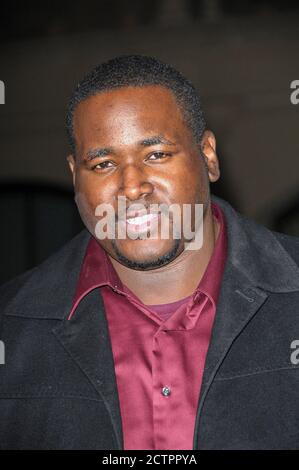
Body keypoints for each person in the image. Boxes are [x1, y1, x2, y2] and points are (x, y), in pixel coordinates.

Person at [0, 55, 299, 450]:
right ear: (75, 176)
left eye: (156, 154)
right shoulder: (13, 328)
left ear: (208, 155)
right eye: (104, 163)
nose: (131, 186)